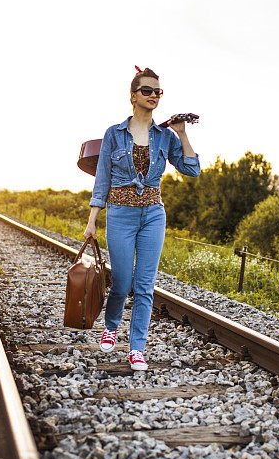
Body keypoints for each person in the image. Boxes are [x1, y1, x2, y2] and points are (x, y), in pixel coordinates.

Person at [83, 66, 200, 370]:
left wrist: (182, 133)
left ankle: (137, 348)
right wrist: (92, 219)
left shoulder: (164, 136)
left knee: (145, 285)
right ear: (132, 95)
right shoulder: (114, 134)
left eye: (157, 92)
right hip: (120, 214)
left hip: (153, 215)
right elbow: (102, 180)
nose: (153, 96)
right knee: (122, 281)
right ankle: (110, 326)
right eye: (146, 91)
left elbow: (192, 170)